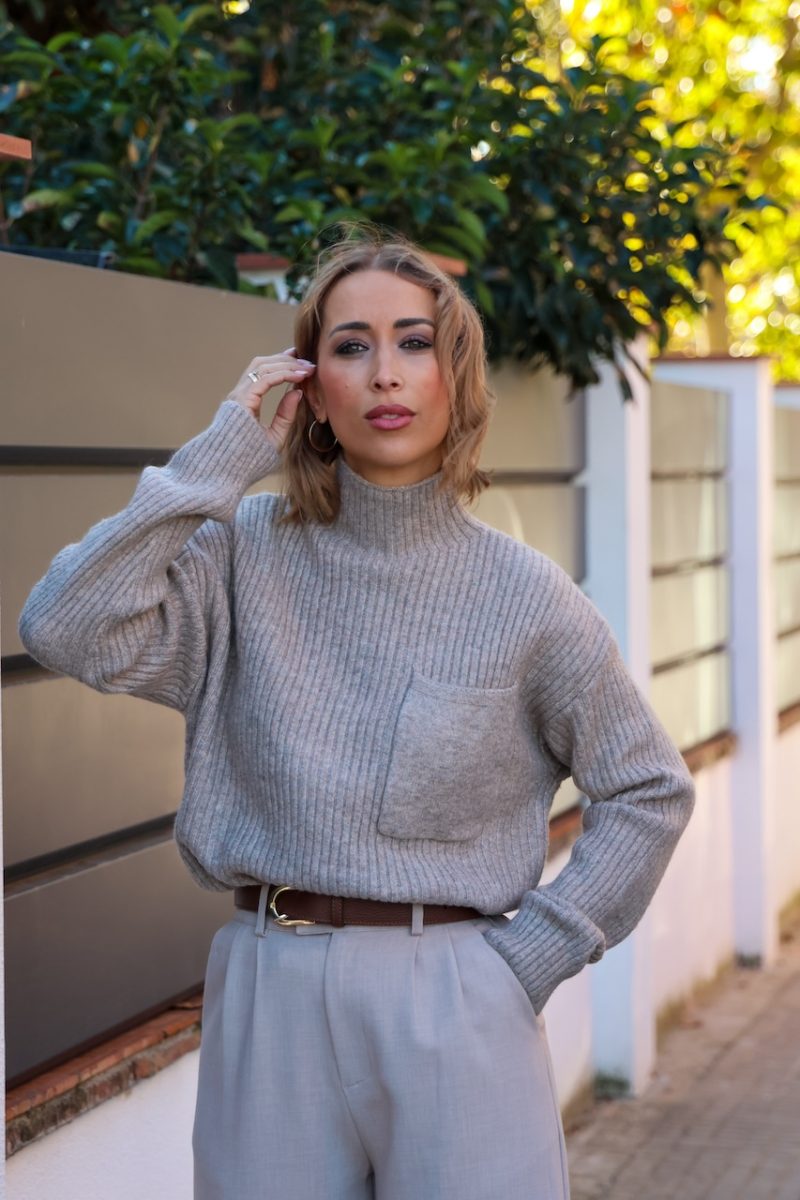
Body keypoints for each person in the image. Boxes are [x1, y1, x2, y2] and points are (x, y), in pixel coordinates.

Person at [18, 230, 695, 1200]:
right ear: (310, 386)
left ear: (457, 376)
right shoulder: (239, 557)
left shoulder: (526, 597)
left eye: (414, 342)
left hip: (460, 997)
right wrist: (219, 462)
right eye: (350, 346)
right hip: (268, 987)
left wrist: (532, 957)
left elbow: (648, 790)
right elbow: (64, 626)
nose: (384, 373)